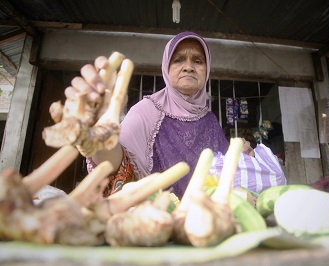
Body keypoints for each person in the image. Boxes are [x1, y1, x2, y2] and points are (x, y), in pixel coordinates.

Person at [66, 31, 286, 199]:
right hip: (158, 224)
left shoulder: (209, 120)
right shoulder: (148, 110)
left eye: (197, 61)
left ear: (206, 70)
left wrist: (241, 157)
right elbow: (116, 165)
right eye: (179, 60)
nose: (188, 67)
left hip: (203, 224)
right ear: (166, 67)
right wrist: (98, 135)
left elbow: (222, 175)